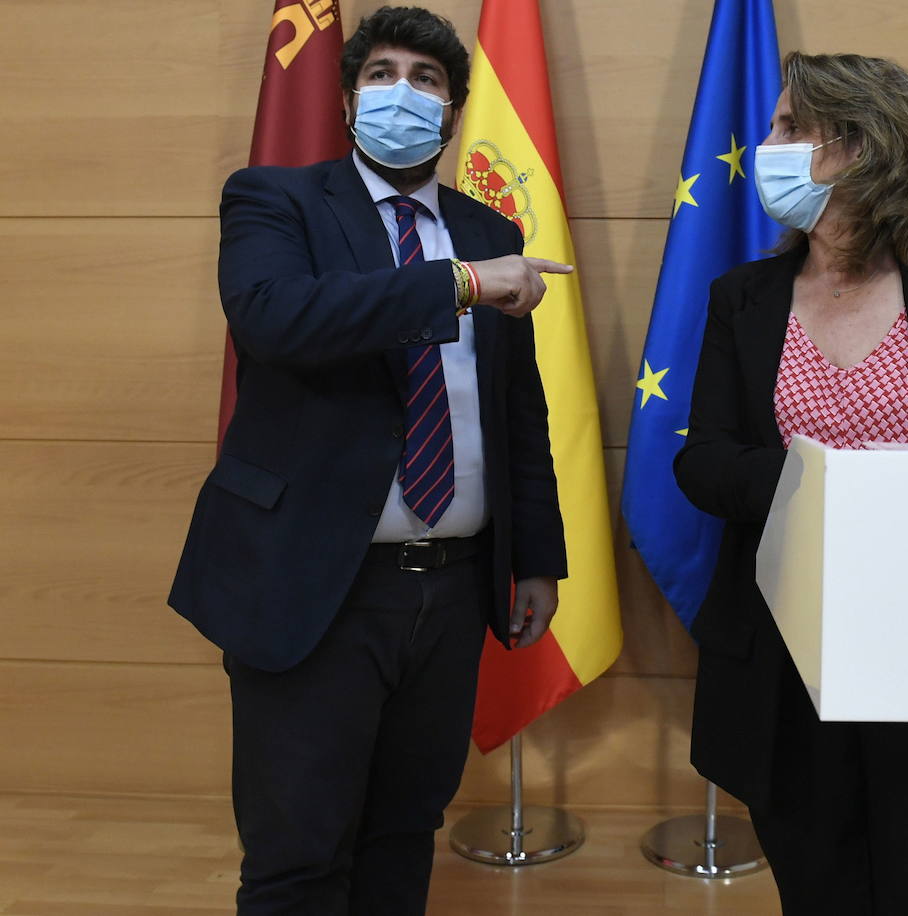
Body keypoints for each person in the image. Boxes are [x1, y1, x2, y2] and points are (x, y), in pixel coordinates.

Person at [168, 7, 571, 914]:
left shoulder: (483, 226)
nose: (402, 93)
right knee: (299, 856)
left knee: (403, 835)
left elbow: (517, 411)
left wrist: (538, 557)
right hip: (315, 581)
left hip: (453, 587)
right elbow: (277, 318)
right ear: (348, 101)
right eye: (381, 74)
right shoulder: (275, 199)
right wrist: (458, 285)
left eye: (425, 80)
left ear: (455, 111)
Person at [674, 52, 908, 915]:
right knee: (818, 890)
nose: (765, 143)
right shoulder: (745, 297)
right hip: (786, 658)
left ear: (854, 145)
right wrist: (822, 483)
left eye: (785, 128)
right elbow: (703, 460)